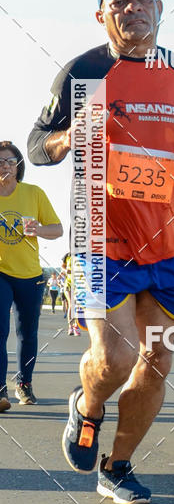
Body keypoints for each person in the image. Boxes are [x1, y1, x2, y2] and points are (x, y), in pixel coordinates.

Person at [28, 0, 174, 504]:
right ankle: (87, 407)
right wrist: (67, 138)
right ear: (101, 15)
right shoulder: (83, 70)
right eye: (118, 1)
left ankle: (117, 466)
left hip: (168, 243)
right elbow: (35, 144)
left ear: (159, 9)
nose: (131, 7)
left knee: (156, 361)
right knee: (114, 359)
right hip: (101, 238)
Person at [0, 141, 63, 411]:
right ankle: (0, 391)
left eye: (10, 161)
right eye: (0, 161)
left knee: (28, 334)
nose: (5, 166)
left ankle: (24, 384)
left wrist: (38, 229)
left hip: (30, 274)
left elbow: (58, 229)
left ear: (18, 166)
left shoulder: (33, 193)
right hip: (1, 272)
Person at [61, 252, 80, 336]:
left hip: (79, 284)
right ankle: (70, 327)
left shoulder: (84, 255)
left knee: (78, 305)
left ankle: (76, 326)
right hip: (68, 284)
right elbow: (63, 266)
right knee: (72, 304)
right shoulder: (67, 255)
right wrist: (65, 271)